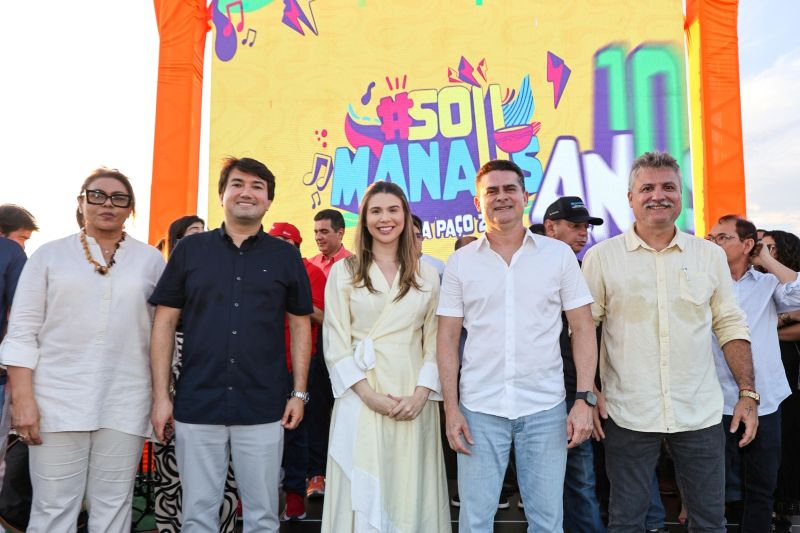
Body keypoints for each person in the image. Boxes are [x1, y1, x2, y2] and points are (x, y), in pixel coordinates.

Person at [581, 151, 757, 532]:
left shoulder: (709, 256)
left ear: (681, 195)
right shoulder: (601, 258)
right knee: (626, 521)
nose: (658, 196)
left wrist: (748, 392)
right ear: (630, 198)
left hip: (698, 412)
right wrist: (589, 391)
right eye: (647, 188)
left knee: (709, 522)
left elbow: (730, 325)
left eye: (668, 187)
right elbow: (583, 329)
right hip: (627, 413)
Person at [149, 156, 313, 533]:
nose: (246, 193)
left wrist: (299, 393)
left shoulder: (285, 256)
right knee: (197, 514)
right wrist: (161, 397)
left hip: (264, 405)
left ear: (269, 201)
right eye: (237, 184)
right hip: (197, 403)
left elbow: (300, 325)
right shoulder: (190, 251)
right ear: (222, 194)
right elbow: (164, 323)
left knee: (262, 516)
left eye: (257, 187)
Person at [0, 168, 165, 532]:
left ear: (130, 208)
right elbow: (22, 332)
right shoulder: (50, 256)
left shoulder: (151, 260)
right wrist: (23, 400)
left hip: (126, 399)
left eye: (119, 198)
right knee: (53, 507)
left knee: (114, 506)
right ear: (81, 202)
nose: (108, 204)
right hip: (56, 399)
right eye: (97, 195)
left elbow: (161, 335)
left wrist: (160, 397)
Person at [438, 159, 598, 532]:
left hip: (545, 409)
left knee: (547, 522)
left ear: (525, 197)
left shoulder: (557, 255)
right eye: (491, 191)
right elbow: (447, 338)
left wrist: (584, 400)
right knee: (475, 522)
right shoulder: (460, 262)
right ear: (477, 202)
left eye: (510, 188)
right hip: (478, 410)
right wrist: (451, 409)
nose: (501, 197)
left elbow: (583, 328)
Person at [321, 181, 449, 532]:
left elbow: (436, 341)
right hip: (360, 394)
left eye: (393, 210)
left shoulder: (427, 275)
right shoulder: (344, 272)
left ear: (405, 216)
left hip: (412, 396)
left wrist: (421, 395)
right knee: (360, 485)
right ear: (364, 220)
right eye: (375, 211)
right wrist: (368, 395)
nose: (385, 218)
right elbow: (335, 341)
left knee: (408, 487)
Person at [707, 215, 800, 531]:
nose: (714, 244)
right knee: (710, 488)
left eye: (723, 238)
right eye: (711, 238)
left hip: (765, 399)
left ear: (747, 244)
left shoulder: (767, 284)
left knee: (761, 487)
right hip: (713, 399)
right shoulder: (702, 281)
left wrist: (765, 258)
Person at [151, 214, 239, 533]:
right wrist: (163, 396)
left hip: (219, 393)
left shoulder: (223, 276)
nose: (201, 238)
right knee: (174, 476)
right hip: (175, 393)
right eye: (192, 233)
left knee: (222, 476)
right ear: (176, 242)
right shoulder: (167, 280)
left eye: (204, 232)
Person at [542, 196, 607, 532]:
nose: (583, 233)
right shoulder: (527, 270)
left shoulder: (585, 270)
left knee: (581, 483)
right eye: (575, 226)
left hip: (576, 392)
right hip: (539, 394)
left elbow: (588, 335)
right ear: (550, 228)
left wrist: (588, 394)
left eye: (586, 227)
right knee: (545, 488)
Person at [266, 222, 326, 522]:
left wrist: (292, 299)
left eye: (284, 243)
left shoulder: (311, 272)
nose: (278, 248)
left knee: (296, 432)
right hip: (260, 364)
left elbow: (324, 316)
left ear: (297, 246)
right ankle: (252, 496)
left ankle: (294, 496)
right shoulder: (259, 268)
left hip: (298, 363)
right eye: (273, 241)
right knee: (256, 431)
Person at [306, 208, 352, 498]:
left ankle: (348, 475)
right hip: (314, 350)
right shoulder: (308, 265)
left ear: (340, 232)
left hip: (348, 350)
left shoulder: (355, 265)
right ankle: (317, 475)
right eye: (315, 232)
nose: (319, 237)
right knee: (316, 413)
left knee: (348, 412)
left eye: (324, 231)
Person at [763, 230, 800, 528]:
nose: (763, 251)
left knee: (788, 433)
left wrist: (767, 329)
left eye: (770, 247)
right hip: (768, 361)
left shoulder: (788, 280)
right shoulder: (758, 280)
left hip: (791, 362)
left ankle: (786, 505)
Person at [411, 214, 446, 279]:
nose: (414, 241)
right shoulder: (393, 266)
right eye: (410, 236)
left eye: (418, 236)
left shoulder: (438, 266)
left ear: (422, 238)